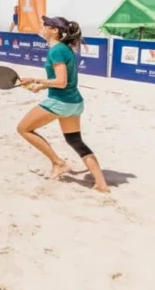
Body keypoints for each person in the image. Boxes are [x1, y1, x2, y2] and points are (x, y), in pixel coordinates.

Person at [16, 16, 110, 193]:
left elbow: (61, 81)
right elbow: (63, 81)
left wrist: (36, 79)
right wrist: (42, 85)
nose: (42, 27)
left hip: (60, 102)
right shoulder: (65, 49)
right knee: (75, 141)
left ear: (55, 30)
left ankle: (58, 163)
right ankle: (101, 184)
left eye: (46, 25)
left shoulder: (56, 50)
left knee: (23, 129)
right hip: (74, 102)